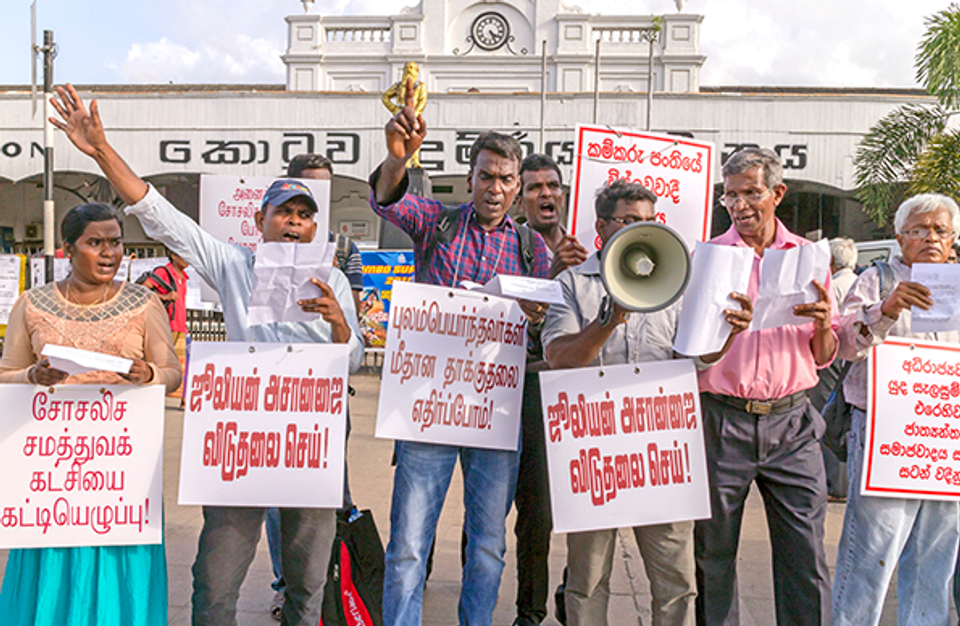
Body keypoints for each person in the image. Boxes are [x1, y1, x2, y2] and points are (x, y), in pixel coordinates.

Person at [49, 83, 364, 626]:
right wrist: (99, 149)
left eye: (303, 215)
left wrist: (340, 326)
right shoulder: (233, 265)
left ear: (316, 226)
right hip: (243, 441)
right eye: (282, 212)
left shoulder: (333, 277)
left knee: (308, 583)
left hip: (312, 442)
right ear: (259, 223)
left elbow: (354, 361)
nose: (293, 222)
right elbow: (159, 213)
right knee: (216, 582)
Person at [369, 78, 550, 626]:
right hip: (428, 410)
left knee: (488, 545)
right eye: (486, 176)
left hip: (494, 418)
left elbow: (539, 326)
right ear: (469, 178)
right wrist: (397, 160)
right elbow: (388, 197)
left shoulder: (531, 248)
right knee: (407, 545)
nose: (495, 188)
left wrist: (534, 318)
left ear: (517, 188)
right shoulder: (438, 223)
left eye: (505, 179)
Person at [541, 179, 751, 626]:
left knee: (676, 582)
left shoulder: (673, 278)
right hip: (594, 454)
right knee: (588, 578)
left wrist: (729, 332)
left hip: (660, 453)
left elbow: (695, 355)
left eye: (650, 222)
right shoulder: (573, 286)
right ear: (601, 226)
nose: (642, 230)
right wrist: (608, 319)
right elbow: (559, 358)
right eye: (629, 221)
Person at [0, 202, 181, 626]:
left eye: (115, 243)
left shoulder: (144, 302)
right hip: (52, 476)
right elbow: (6, 375)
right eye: (94, 243)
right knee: (52, 579)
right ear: (67, 249)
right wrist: (34, 374)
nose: (108, 253)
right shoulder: (33, 304)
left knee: (120, 575)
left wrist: (149, 373)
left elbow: (172, 373)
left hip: (121, 475)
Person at [695, 147, 837, 626]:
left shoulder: (809, 258)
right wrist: (722, 333)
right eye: (730, 195)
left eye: (751, 193)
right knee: (712, 555)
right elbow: (691, 351)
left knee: (805, 557)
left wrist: (821, 324)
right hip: (722, 420)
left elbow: (822, 353)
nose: (739, 205)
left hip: (793, 424)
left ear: (777, 193)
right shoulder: (709, 257)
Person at [833, 193, 960, 626]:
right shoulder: (878, 280)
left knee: (937, 552)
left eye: (940, 231)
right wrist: (886, 309)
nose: (930, 238)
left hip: (943, 438)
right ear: (900, 236)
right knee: (872, 548)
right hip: (885, 433)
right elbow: (846, 346)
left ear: (953, 239)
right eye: (919, 229)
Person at [263, 152, 366, 620]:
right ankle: (288, 582)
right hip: (262, 398)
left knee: (327, 498)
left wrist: (336, 320)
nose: (301, 215)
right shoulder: (257, 256)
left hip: (320, 398)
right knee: (270, 503)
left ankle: (325, 585)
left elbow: (353, 331)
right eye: (301, 194)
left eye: (317, 196)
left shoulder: (343, 252)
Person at [512, 153, 588, 626]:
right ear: (521, 198)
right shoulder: (511, 243)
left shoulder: (586, 246)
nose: (546, 194)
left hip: (579, 386)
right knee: (534, 508)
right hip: (528, 387)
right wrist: (551, 275)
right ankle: (530, 609)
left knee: (582, 502)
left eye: (553, 185)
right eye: (535, 186)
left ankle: (570, 589)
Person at [809, 237, 858, 501]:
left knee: (828, 417)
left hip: (831, 359)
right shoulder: (855, 282)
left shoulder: (834, 286)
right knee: (842, 416)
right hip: (847, 362)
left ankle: (835, 484)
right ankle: (841, 482)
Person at [139, 250, 190, 401]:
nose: (187, 259)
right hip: (165, 327)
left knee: (182, 366)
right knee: (163, 366)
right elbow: (143, 290)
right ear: (173, 255)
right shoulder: (164, 272)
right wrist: (165, 297)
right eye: (183, 254)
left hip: (180, 327)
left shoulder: (184, 276)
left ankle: (184, 399)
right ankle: (156, 398)